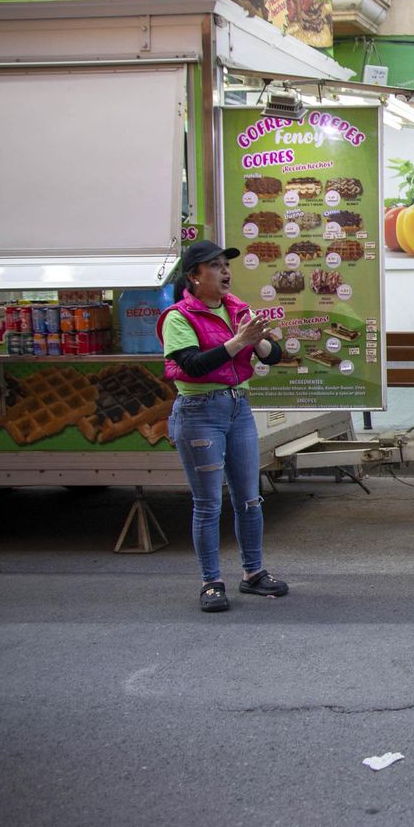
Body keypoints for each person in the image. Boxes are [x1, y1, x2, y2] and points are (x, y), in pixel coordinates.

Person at [157, 240, 289, 613]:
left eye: (225, 265)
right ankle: (211, 582)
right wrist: (237, 342)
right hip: (199, 413)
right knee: (209, 504)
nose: (225, 271)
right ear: (195, 276)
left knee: (250, 498)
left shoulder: (238, 310)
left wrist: (260, 342)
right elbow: (192, 365)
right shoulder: (178, 317)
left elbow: (275, 356)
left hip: (237, 408)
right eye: (214, 265)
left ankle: (253, 573)